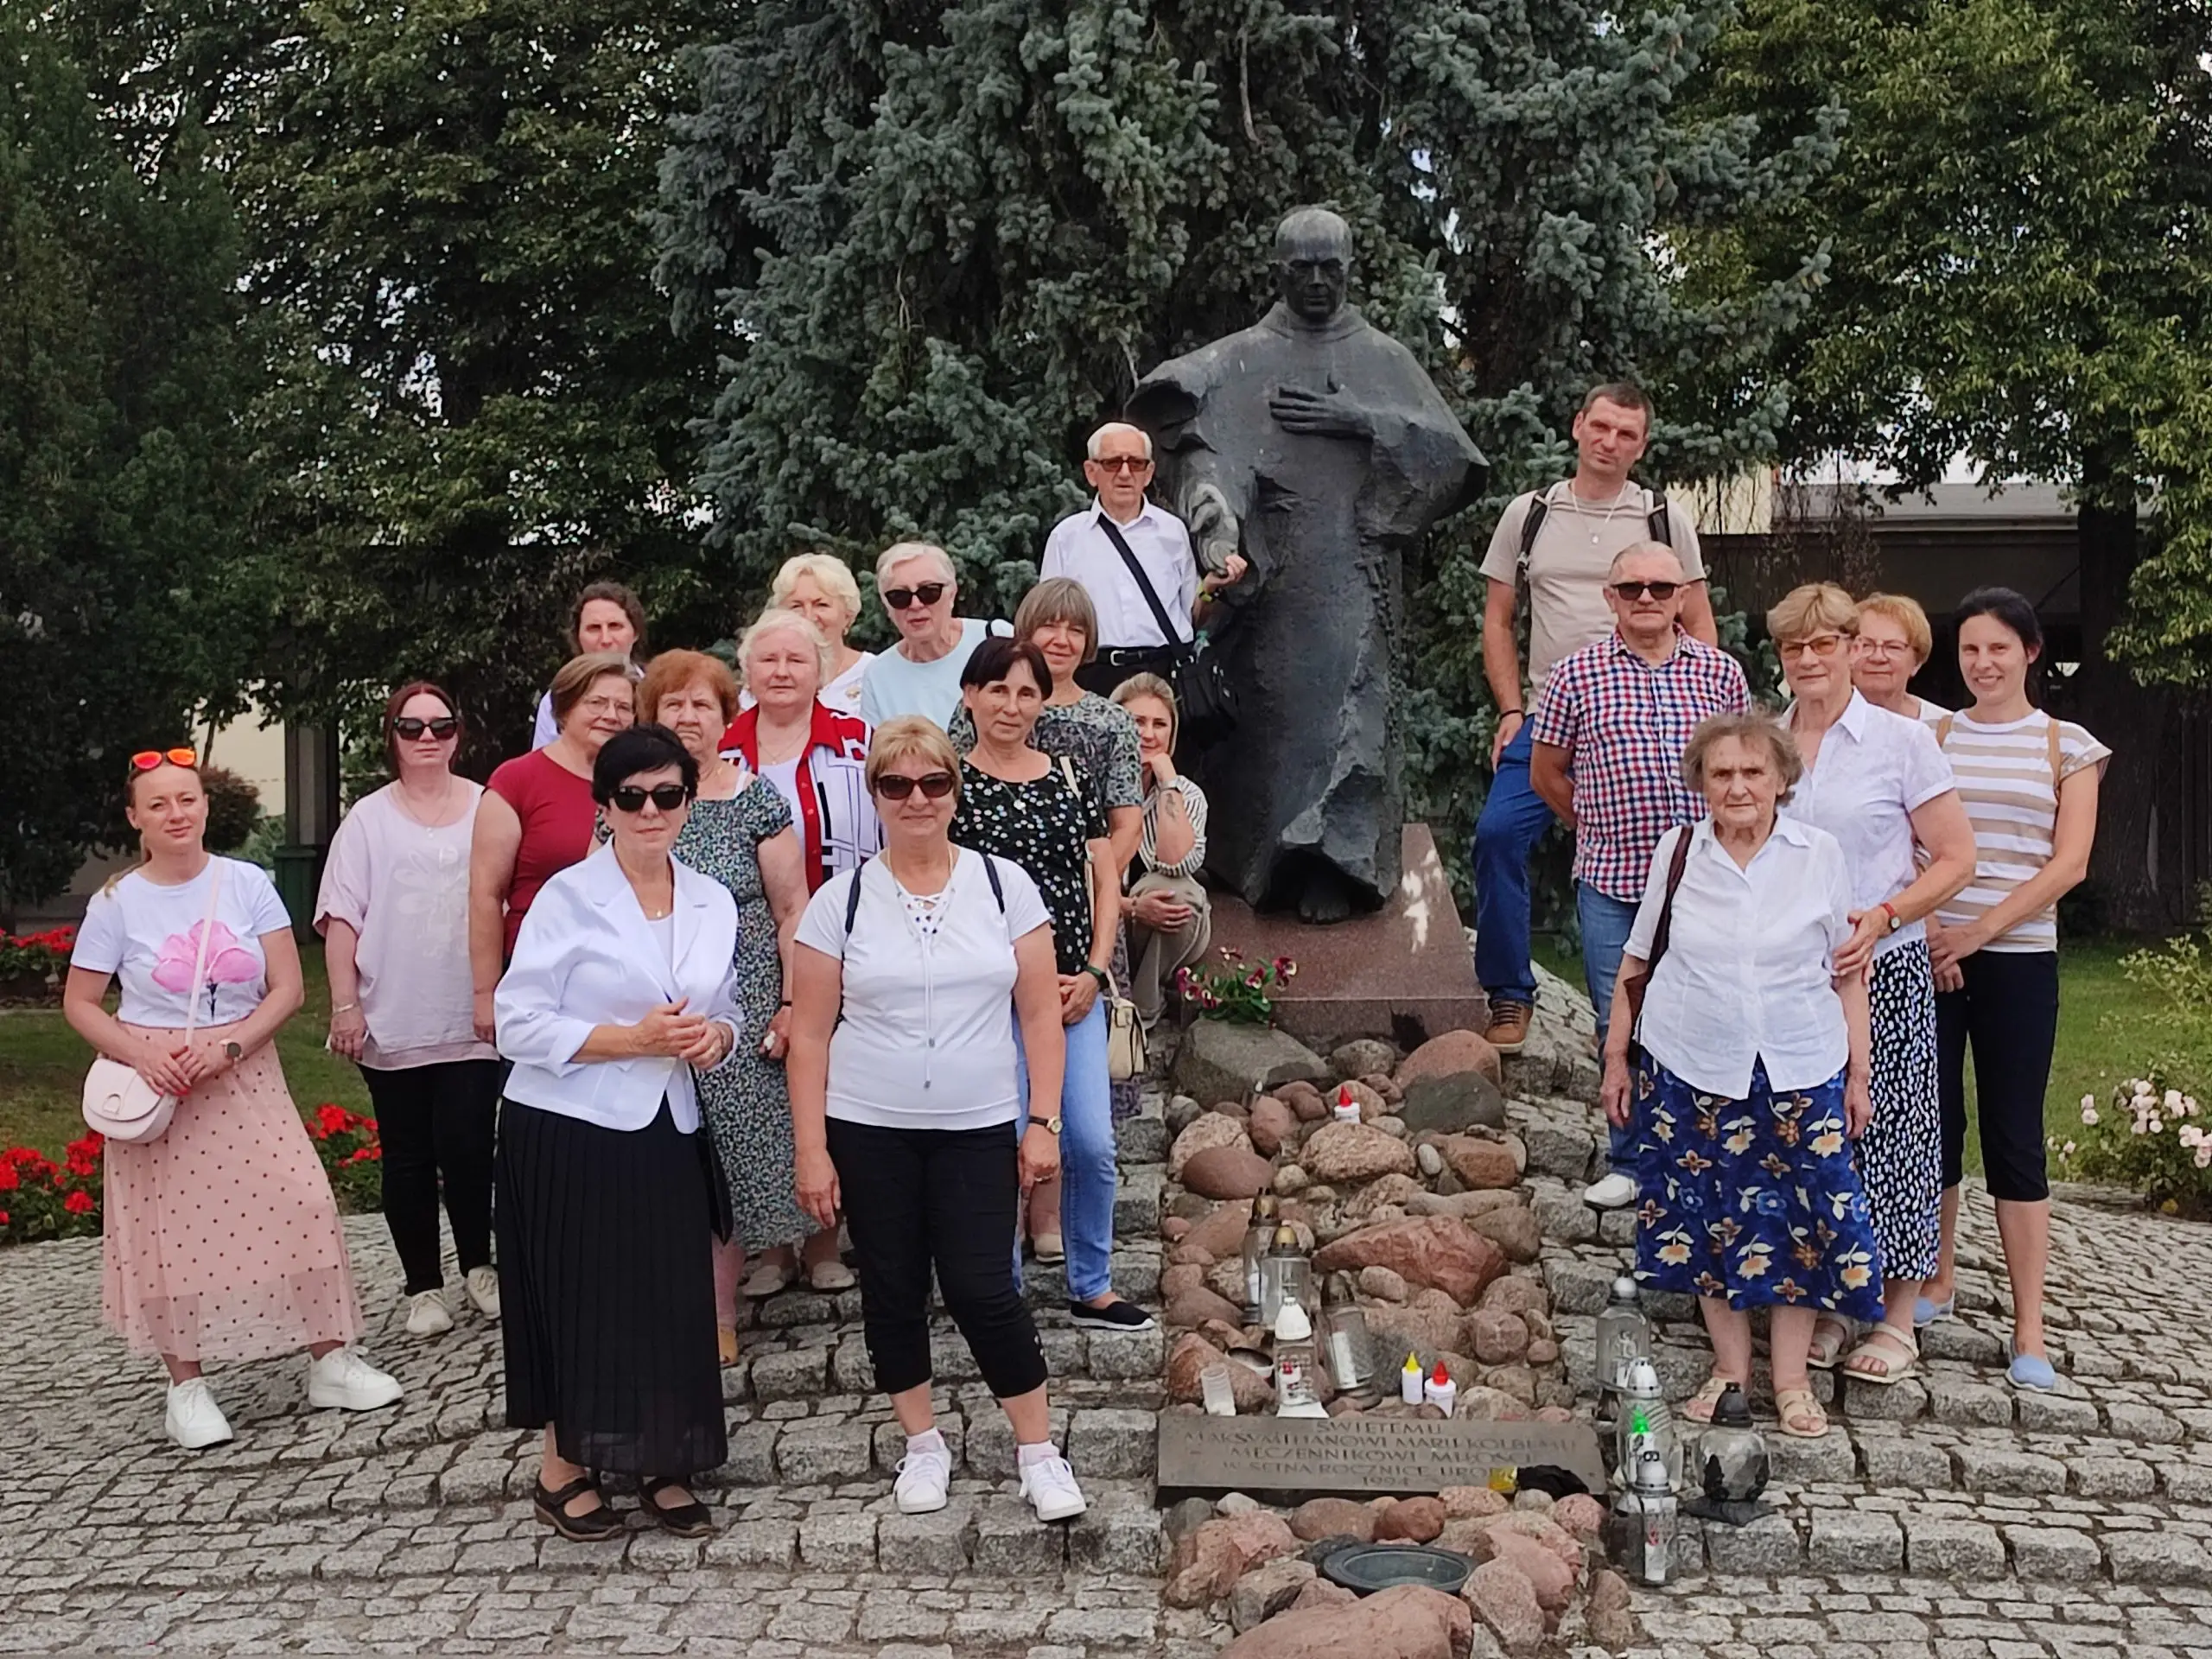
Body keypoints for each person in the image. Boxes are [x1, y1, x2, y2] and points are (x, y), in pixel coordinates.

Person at [1128, 206, 1484, 921]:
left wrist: (1363, 422)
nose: (1318, 282)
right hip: (1265, 577)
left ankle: (1333, 865)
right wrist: (1217, 532)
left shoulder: (1382, 359)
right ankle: (1254, 862)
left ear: (1350, 270)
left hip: (1352, 568)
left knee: (1343, 722)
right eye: (1302, 270)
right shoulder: (1239, 358)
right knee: (1263, 730)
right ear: (1278, 273)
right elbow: (1200, 449)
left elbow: (1456, 458)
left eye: (1331, 269)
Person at [785, 717, 1088, 1525]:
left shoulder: (1004, 886)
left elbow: (1040, 1017)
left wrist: (1044, 1121)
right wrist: (811, 1149)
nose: (916, 798)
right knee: (892, 1287)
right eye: (896, 784)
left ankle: (1038, 1452)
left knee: (985, 1288)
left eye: (933, 782)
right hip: (868, 1122)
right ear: (875, 795)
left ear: (956, 791)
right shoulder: (840, 901)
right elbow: (809, 1035)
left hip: (976, 1121)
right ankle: (922, 1444)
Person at [65, 749, 403, 1450]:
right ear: (135, 818)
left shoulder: (246, 883)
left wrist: (231, 1047)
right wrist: (143, 1056)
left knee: (303, 1199)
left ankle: (330, 1357)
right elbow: (81, 1003)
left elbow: (288, 987)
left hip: (241, 1069)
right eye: (158, 804)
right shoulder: (116, 904)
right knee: (168, 1233)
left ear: (206, 806)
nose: (176, 814)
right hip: (160, 1080)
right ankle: (185, 1386)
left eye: (186, 799)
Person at [1601, 714, 1881, 1441]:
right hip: (1692, 1062)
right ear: (1701, 783)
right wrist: (1615, 1059)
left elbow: (1849, 972)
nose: (1737, 787)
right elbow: (1638, 959)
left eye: (1753, 772)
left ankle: (1790, 1382)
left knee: (1803, 1221)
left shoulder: (1819, 854)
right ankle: (1730, 1369)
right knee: (1704, 1217)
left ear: (1782, 779)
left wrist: (1859, 1072)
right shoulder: (1679, 851)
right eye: (1721, 773)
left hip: (1800, 1061)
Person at [493, 723, 742, 1541]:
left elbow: (727, 1008)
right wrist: (629, 1039)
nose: (650, 811)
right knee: (581, 1300)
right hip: (569, 1126)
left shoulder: (712, 899)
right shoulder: (568, 897)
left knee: (668, 1297)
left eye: (667, 794)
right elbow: (516, 1023)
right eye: (631, 797)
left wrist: (718, 1038)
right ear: (605, 806)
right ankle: (562, 1467)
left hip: (668, 1122)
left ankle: (662, 1459)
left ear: (689, 801)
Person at [1767, 584, 1976, 1385]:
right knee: (1811, 1140)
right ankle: (1826, 1303)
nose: (1809, 659)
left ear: (1853, 648)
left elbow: (1957, 859)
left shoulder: (1902, 742)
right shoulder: (1770, 738)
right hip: (1791, 975)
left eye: (1825, 643)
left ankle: (1895, 1317)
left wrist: (1887, 915)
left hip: (1881, 965)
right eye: (1794, 647)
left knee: (1892, 1134)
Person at [1472, 383, 1717, 1054]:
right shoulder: (1531, 514)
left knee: (1677, 857)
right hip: (1551, 716)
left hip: (1646, 715)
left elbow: (1699, 623)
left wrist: (1706, 722)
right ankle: (1509, 994)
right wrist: (1511, 708)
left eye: (1627, 433)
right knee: (1497, 836)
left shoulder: (1663, 518)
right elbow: (1498, 620)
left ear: (1642, 445)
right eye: (1601, 427)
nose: (1610, 442)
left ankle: (1662, 1019)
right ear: (1578, 426)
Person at [1919, 588, 2107, 1391]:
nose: (1983, 663)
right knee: (1933, 1122)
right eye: (1970, 649)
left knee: (2014, 1134)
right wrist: (1935, 929)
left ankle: (2030, 1325)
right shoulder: (1932, 737)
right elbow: (1908, 838)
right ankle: (1935, 1279)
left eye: (1998, 648)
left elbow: (2069, 864)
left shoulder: (2069, 746)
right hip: (1932, 956)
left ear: (2030, 652)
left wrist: (1980, 930)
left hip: (2019, 959)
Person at [1526, 542, 1749, 1210]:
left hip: (1706, 882)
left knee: (1710, 1016)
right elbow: (1546, 772)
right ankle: (1630, 1160)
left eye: (1659, 587)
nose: (1645, 598)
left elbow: (1747, 767)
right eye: (1631, 588)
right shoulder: (1574, 675)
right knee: (1617, 1020)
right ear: (1610, 598)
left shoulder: (1720, 674)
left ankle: (1703, 1155)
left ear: (1683, 596)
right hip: (1614, 880)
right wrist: (1593, 821)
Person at [950, 638, 1151, 1331]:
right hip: (990, 999)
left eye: (1026, 692)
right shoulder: (949, 786)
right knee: (1001, 1144)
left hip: (1071, 993)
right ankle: (999, 1291)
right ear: (970, 696)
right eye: (997, 690)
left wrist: (1096, 969)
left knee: (1091, 1141)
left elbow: (1104, 878)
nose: (1011, 705)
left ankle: (1092, 1284)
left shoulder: (1068, 776)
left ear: (1042, 702)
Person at [645, 647, 844, 1319]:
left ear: (726, 716)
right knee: (700, 1134)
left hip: (752, 986)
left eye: (702, 704)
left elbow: (792, 909)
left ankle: (816, 1245)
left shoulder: (753, 797)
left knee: (772, 1121)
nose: (688, 715)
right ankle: (757, 1259)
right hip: (668, 997)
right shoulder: (633, 800)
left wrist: (791, 1001)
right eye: (674, 703)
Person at [316, 683, 502, 1338]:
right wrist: (345, 1006)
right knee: (407, 1156)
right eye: (412, 727)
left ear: (458, 735)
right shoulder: (367, 820)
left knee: (471, 1147)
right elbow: (342, 918)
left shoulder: (487, 807)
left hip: (473, 1011)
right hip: (393, 1012)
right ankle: (423, 1286)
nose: (428, 738)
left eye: (441, 726)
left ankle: (480, 1265)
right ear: (391, 736)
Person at [470, 652, 635, 1041]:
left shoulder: (641, 786)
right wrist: (485, 992)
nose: (611, 716)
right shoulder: (518, 780)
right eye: (596, 703)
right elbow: (485, 895)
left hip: (624, 976)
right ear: (564, 708)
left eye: (623, 707)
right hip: (538, 972)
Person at [1039, 422, 1247, 696]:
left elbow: (1191, 617)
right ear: (1091, 472)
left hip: (1162, 675)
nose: (1125, 474)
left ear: (1148, 473)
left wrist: (1210, 588)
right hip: (1093, 677)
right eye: (1113, 463)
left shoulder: (1173, 532)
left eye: (1136, 464)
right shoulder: (1067, 537)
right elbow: (1048, 621)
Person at [721, 607, 883, 894]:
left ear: (820, 671)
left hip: (852, 912)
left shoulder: (860, 741)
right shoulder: (722, 750)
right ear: (748, 671)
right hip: (747, 919)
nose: (781, 672)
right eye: (769, 660)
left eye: (796, 660)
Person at [1112, 674, 1211, 1029]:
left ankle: (1142, 1013)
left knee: (1177, 893)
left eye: (1159, 724)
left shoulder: (1188, 794)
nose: (1148, 734)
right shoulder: (1085, 784)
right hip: (1103, 917)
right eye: (1137, 721)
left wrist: (1168, 783)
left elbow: (1177, 862)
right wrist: (1131, 908)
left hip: (1161, 934)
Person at [858, 543, 998, 728]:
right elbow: (877, 746)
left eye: (929, 592)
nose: (915, 605)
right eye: (900, 596)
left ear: (951, 594)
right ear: (887, 606)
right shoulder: (878, 675)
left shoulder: (995, 637)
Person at [747, 552, 876, 718]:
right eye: (796, 606)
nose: (808, 617)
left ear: (848, 615)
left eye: (821, 605)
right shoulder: (765, 677)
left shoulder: (874, 673)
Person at [531, 582, 646, 748]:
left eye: (615, 626)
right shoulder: (557, 699)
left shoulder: (659, 693)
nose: (605, 639)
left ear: (635, 633)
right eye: (594, 628)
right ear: (578, 637)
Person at [1853, 593, 1948, 721]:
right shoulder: (1825, 722)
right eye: (1866, 645)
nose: (1878, 657)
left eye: (1893, 647)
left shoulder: (1945, 726)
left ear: (1917, 662)